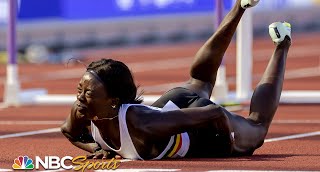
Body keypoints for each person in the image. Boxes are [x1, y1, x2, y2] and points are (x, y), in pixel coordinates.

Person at [61, 0, 292, 160]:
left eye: (88, 92)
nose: (80, 97)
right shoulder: (83, 109)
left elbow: (216, 114)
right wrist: (97, 148)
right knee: (200, 79)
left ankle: (283, 44)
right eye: (80, 89)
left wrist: (228, 144)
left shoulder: (142, 124)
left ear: (113, 100)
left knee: (257, 129)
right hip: (172, 104)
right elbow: (70, 133)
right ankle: (240, 6)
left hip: (199, 127)